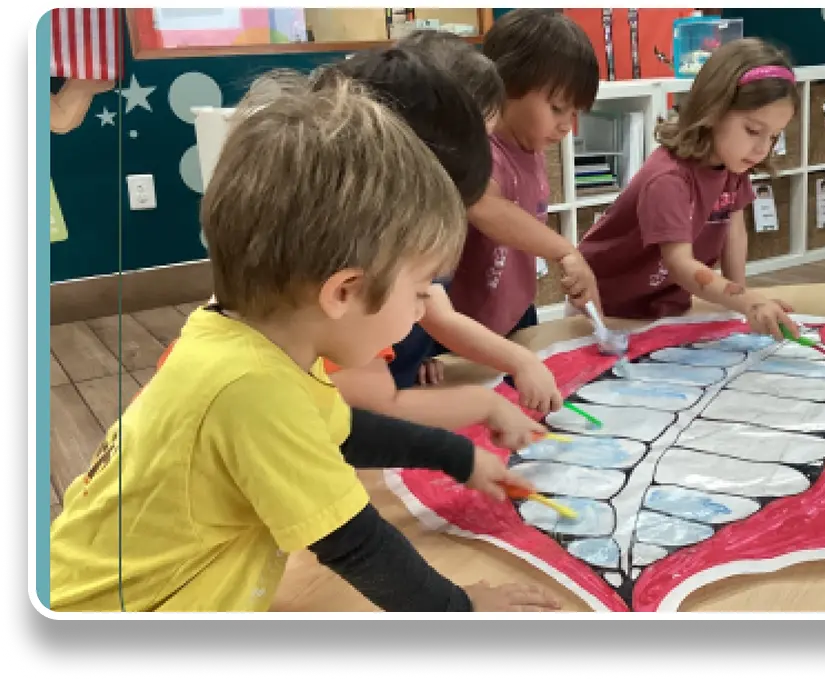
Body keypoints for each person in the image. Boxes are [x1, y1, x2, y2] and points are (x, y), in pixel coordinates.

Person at [49, 70, 561, 613]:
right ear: (343, 291)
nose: (423, 310)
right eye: (419, 290)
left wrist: (456, 455)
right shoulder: (250, 390)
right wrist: (465, 610)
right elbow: (357, 545)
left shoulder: (246, 340)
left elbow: (336, 432)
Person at [309, 48, 562, 438]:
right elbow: (377, 412)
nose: (421, 305)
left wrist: (520, 361)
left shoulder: (358, 253)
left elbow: (437, 313)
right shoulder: (331, 292)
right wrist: (485, 405)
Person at [392, 10, 604, 387]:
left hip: (515, 313)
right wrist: (564, 250)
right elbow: (483, 206)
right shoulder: (475, 151)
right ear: (503, 85)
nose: (567, 126)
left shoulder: (533, 147)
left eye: (575, 113)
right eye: (557, 108)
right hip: (455, 330)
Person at [578, 38, 801, 341]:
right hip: (606, 307)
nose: (762, 148)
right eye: (752, 130)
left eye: (774, 136)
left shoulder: (733, 164)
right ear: (713, 110)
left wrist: (745, 303)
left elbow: (733, 233)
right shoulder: (669, 179)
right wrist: (746, 300)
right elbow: (679, 263)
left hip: (664, 303)